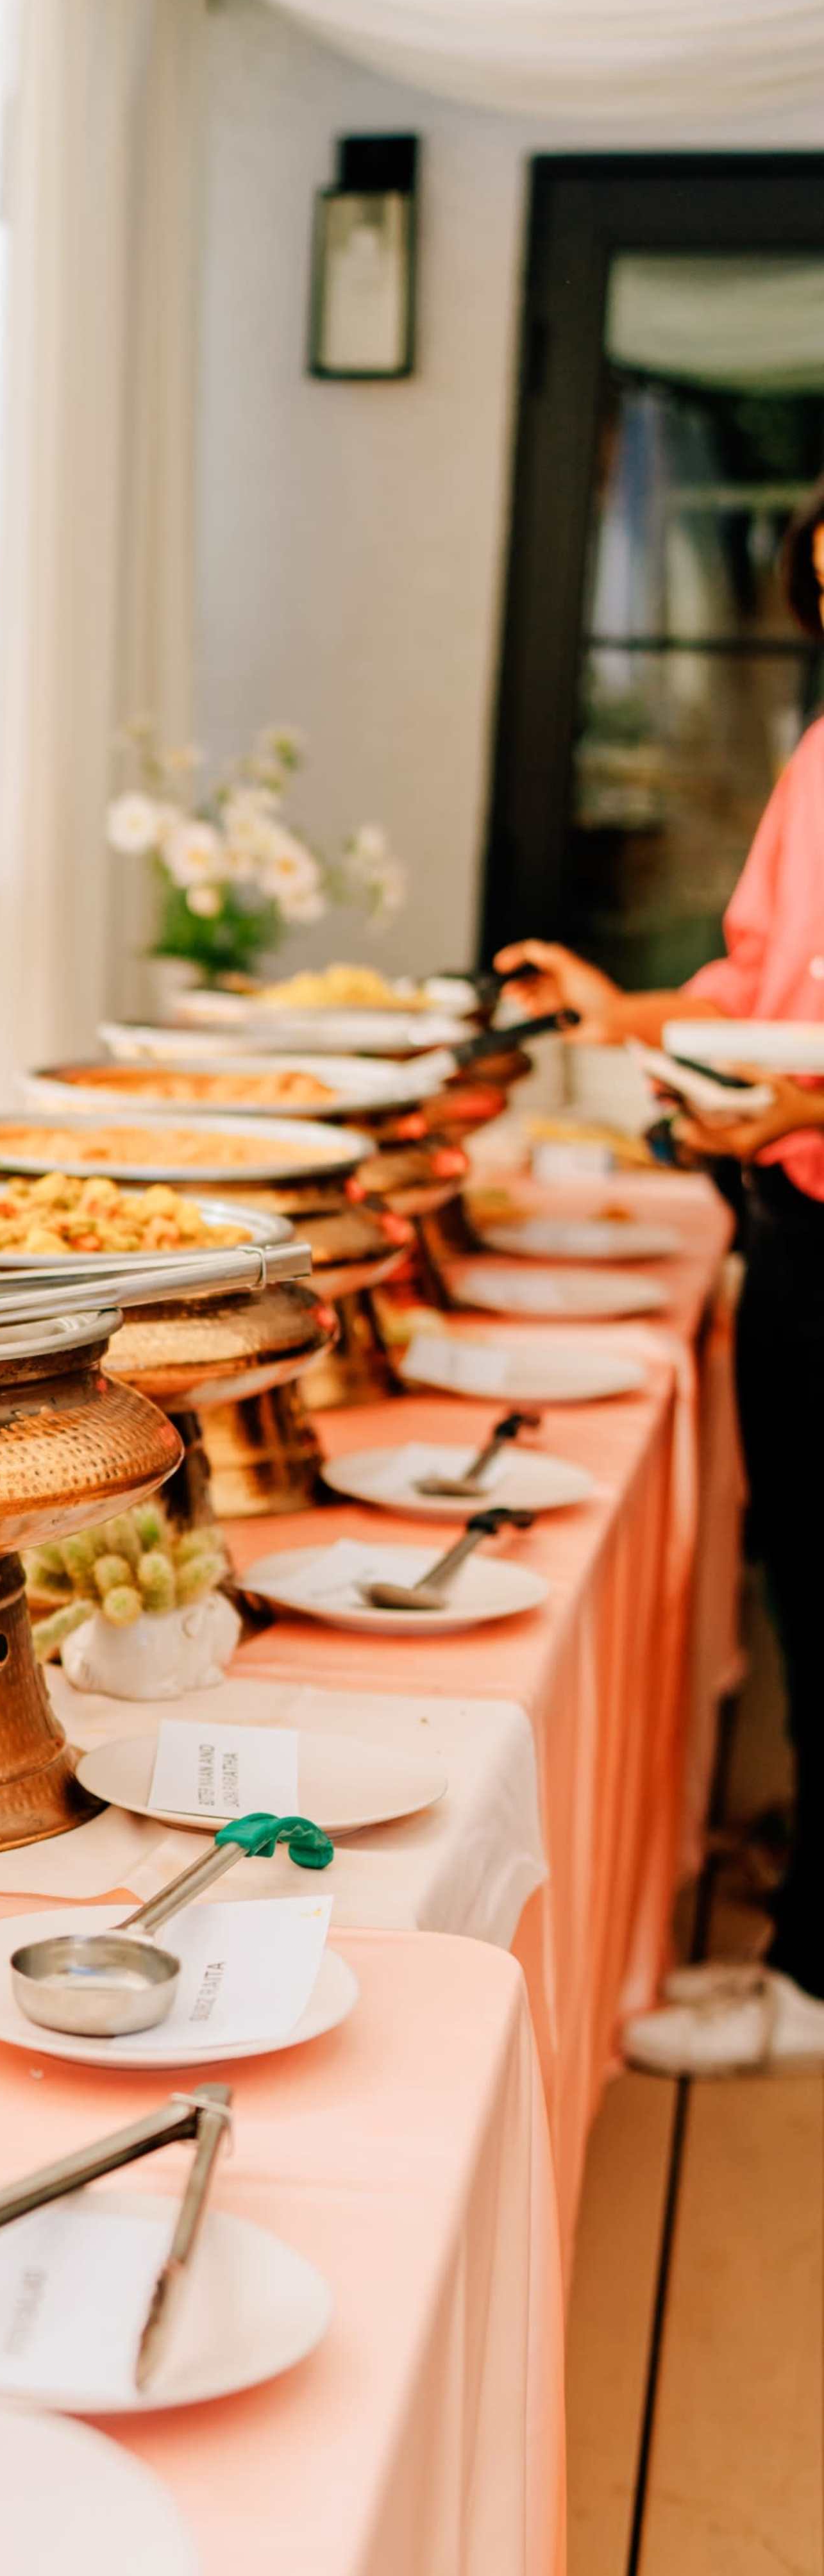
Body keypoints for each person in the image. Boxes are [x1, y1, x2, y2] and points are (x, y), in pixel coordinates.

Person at [496, 464, 824, 2075]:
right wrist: (616, 1014)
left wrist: (805, 1092)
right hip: (798, 1211)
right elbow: (756, 980)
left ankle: (818, 1985)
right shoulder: (820, 754)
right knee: (808, 1580)